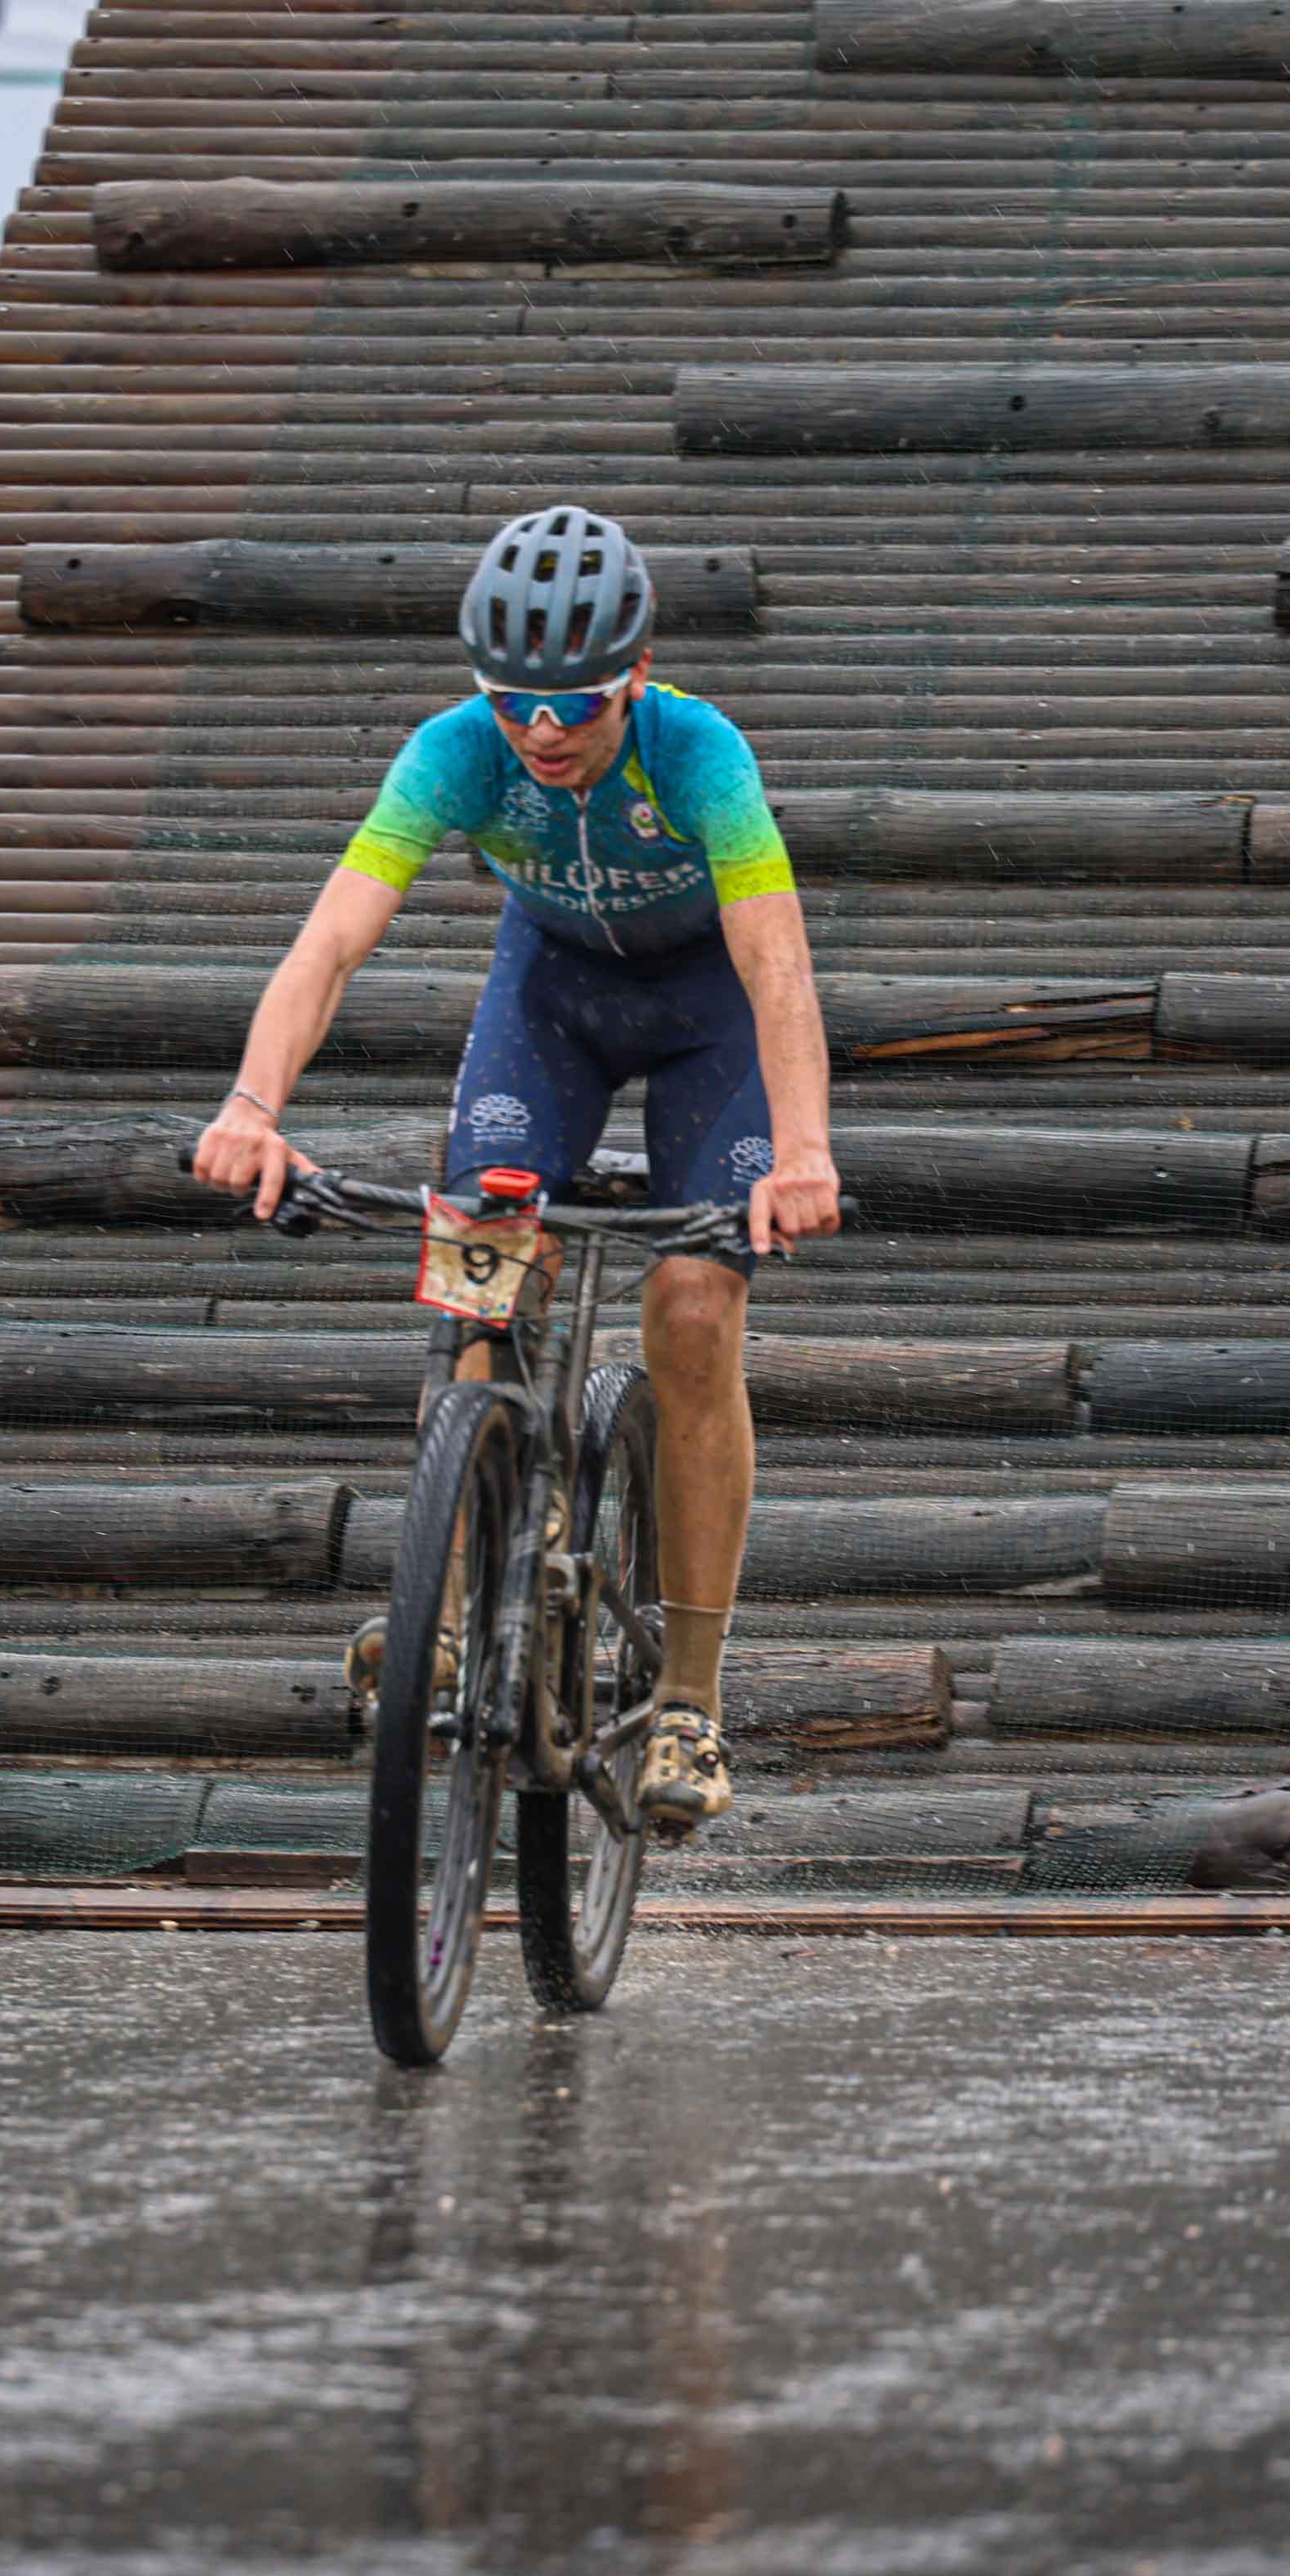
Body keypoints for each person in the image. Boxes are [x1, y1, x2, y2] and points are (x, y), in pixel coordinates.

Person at [189, 506, 842, 1836]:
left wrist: (805, 1151)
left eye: (576, 703)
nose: (541, 731)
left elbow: (775, 965)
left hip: (709, 1015)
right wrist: (253, 1104)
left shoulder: (699, 753)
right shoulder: (454, 753)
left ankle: (691, 1701)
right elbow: (334, 939)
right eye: (512, 701)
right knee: (478, 1272)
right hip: (551, 1004)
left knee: (693, 1311)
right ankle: (447, 1600)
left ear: (636, 674)